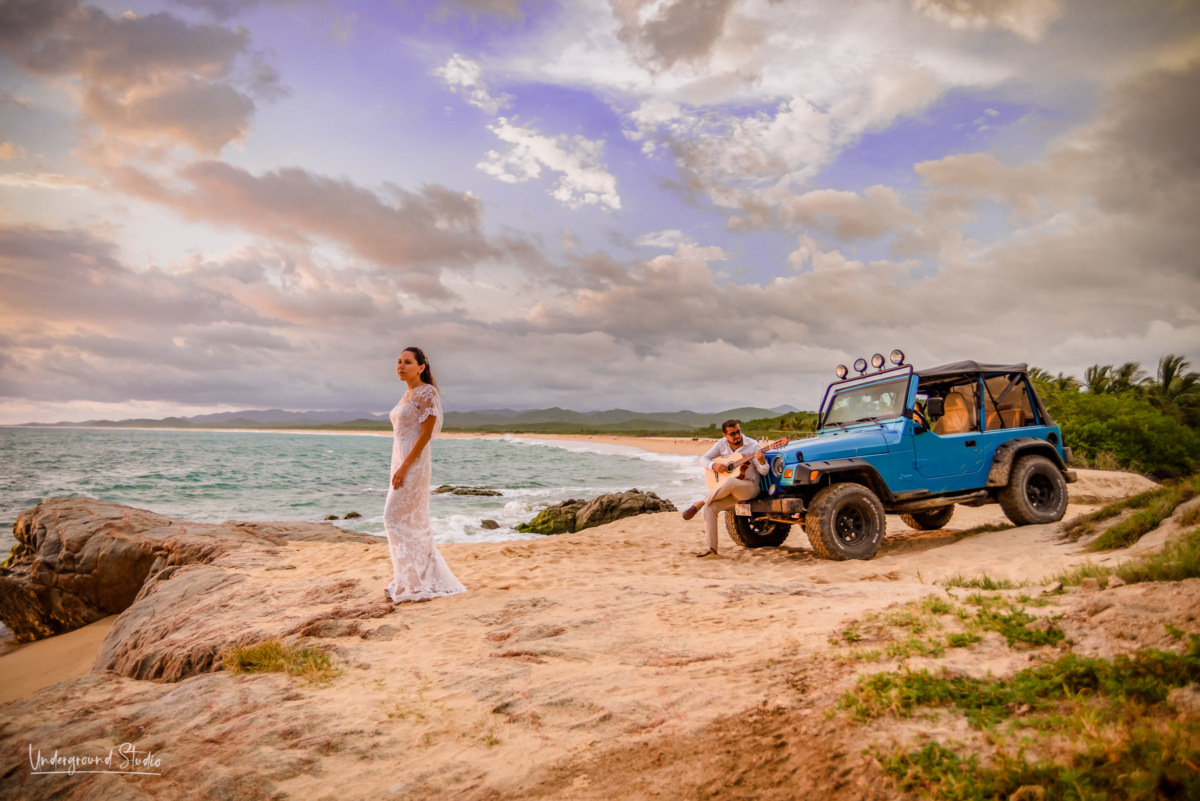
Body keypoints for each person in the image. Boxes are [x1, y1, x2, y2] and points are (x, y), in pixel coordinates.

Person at [382, 347, 466, 603]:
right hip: (399, 459)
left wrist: (406, 466)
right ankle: (410, 579)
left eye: (407, 362)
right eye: (398, 361)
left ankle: (415, 581)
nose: (400, 366)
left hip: (413, 462)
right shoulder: (406, 395)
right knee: (409, 521)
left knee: (392, 517)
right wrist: (399, 464)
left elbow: (426, 433)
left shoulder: (426, 392)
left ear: (421, 367)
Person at [680, 420, 769, 557]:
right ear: (725, 435)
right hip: (732, 491)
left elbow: (764, 471)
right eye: (732, 433)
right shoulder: (721, 443)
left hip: (750, 487)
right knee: (710, 506)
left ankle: (699, 503)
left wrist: (762, 461)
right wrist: (713, 466)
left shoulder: (752, 445)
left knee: (729, 481)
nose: (737, 435)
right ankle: (712, 549)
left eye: (738, 431)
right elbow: (703, 459)